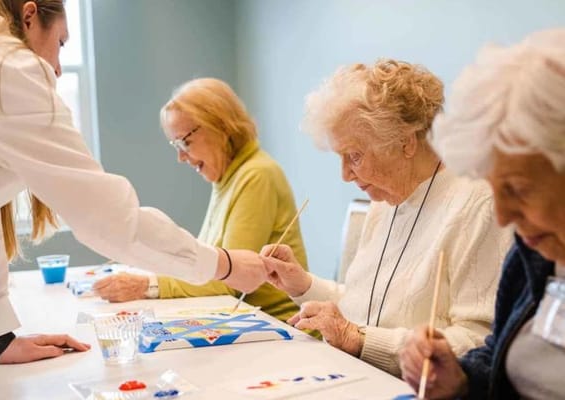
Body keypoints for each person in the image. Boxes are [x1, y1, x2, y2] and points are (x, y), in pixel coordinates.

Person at [0, 2, 267, 398]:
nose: (56, 66)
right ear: (29, 15)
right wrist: (223, 264)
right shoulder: (2, 66)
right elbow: (110, 221)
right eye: (61, 44)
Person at [260, 59, 512, 375]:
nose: (345, 175)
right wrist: (302, 284)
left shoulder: (477, 204)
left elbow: (479, 342)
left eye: (354, 156)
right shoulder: (384, 200)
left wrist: (357, 339)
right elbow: (363, 307)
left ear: (405, 143)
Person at [399, 29, 565, 400]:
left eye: (518, 189)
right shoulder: (534, 254)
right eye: (494, 189)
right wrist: (461, 378)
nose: (503, 216)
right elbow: (505, 358)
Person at [94, 78, 309, 325]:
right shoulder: (228, 177)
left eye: (184, 142)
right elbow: (209, 263)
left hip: (279, 325)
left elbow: (230, 280)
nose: (181, 157)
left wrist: (147, 285)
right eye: (175, 145)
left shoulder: (257, 175)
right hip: (248, 321)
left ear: (220, 126)